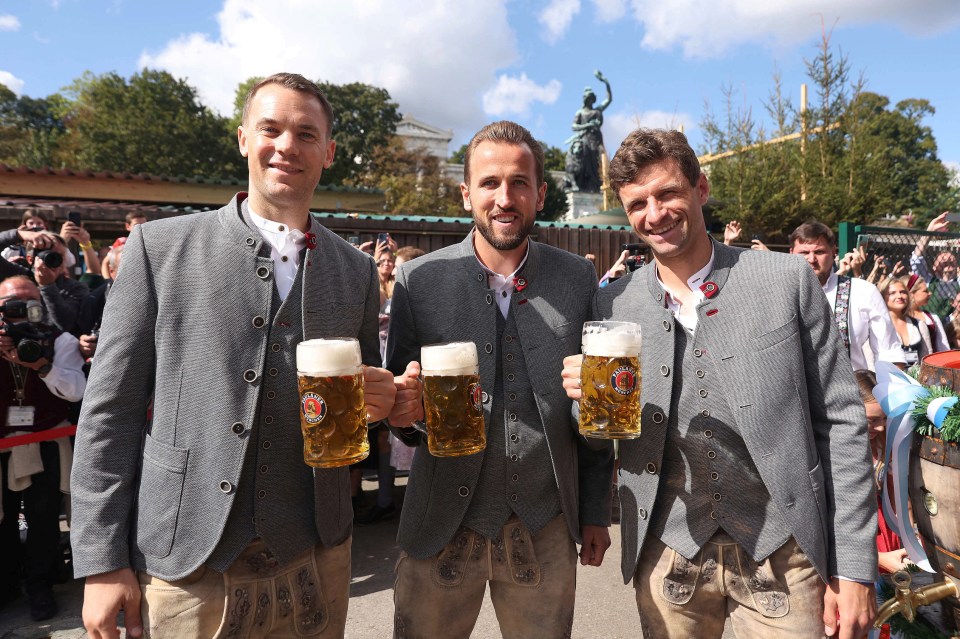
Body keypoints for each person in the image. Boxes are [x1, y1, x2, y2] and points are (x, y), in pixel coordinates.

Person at [70, 72, 396, 639]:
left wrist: (384, 402)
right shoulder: (159, 248)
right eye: (270, 128)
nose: (287, 146)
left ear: (329, 152)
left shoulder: (357, 270)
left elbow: (359, 403)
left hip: (318, 552)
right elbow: (110, 412)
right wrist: (101, 559)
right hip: (187, 558)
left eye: (306, 133)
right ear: (244, 137)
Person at [562, 128, 877, 638]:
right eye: (637, 203)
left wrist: (855, 565)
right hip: (669, 552)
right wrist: (582, 404)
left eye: (666, 193)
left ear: (700, 189)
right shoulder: (612, 305)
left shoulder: (786, 281)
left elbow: (841, 423)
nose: (654, 213)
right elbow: (602, 437)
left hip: (783, 550)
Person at [386, 120, 614, 638]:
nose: (504, 197)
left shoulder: (578, 279)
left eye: (518, 183)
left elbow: (594, 409)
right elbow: (404, 409)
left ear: (541, 193)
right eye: (489, 183)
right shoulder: (418, 281)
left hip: (545, 522)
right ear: (467, 193)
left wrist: (596, 509)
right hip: (439, 521)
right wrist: (405, 415)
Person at [0, 275, 86, 621]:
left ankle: (41, 585)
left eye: (28, 304)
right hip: (4, 443)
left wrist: (40, 366)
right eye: (11, 306)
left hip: (46, 439)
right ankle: (6, 584)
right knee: (3, 519)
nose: (20, 313)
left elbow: (76, 390)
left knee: (44, 517)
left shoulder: (59, 340)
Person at [790, 221, 905, 371]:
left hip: (851, 390)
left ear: (834, 252)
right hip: (793, 392)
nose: (812, 260)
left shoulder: (863, 291)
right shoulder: (778, 293)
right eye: (804, 253)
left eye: (819, 252)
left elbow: (888, 353)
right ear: (791, 253)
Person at [881, 276, 944, 367]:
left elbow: (927, 358)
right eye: (892, 293)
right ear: (883, 296)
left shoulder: (920, 324)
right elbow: (870, 360)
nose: (899, 296)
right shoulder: (878, 326)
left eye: (903, 292)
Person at [566, 70, 612, 193]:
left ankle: (602, 186)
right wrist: (587, 125)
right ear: (585, 99)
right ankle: (586, 186)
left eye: (592, 98)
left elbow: (608, 100)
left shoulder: (597, 110)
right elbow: (574, 126)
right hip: (585, 140)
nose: (590, 100)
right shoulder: (580, 113)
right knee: (586, 164)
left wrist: (605, 82)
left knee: (601, 161)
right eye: (588, 98)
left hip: (597, 139)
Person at [910, 211, 959, 319]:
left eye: (951, 257)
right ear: (934, 266)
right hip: (931, 326)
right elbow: (916, 259)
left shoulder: (958, 282)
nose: (947, 258)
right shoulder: (927, 281)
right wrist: (929, 231)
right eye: (942, 258)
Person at [906, 273, 950, 354]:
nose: (930, 293)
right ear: (912, 294)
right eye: (925, 291)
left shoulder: (932, 318)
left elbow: (943, 346)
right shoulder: (902, 318)